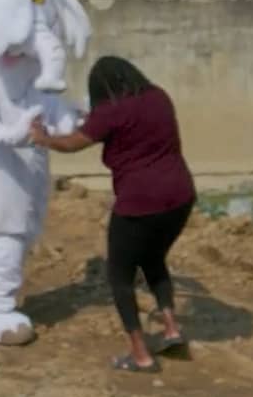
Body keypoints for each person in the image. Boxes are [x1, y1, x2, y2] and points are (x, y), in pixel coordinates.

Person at [28, 55, 196, 373]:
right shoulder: (158, 96)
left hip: (140, 203)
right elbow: (117, 126)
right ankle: (172, 329)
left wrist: (43, 138)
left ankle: (141, 355)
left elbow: (74, 143)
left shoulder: (110, 112)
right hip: (181, 197)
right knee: (153, 259)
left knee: (120, 278)